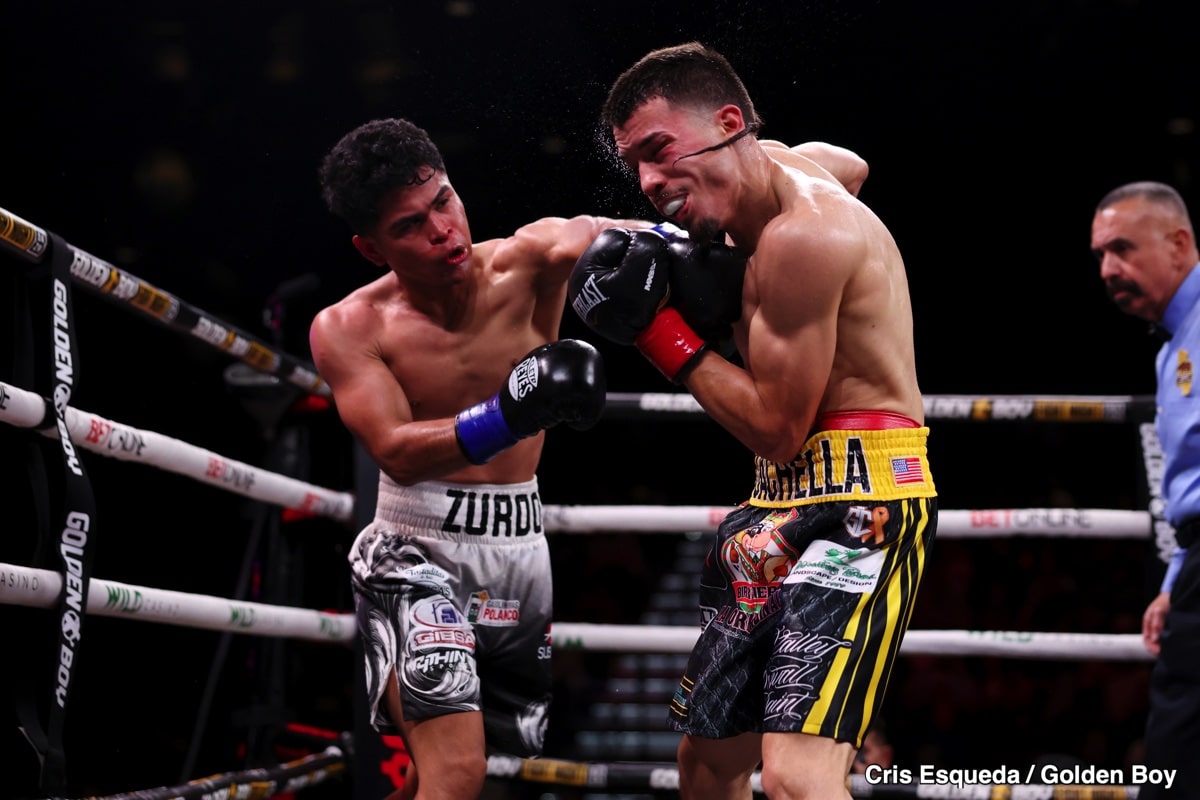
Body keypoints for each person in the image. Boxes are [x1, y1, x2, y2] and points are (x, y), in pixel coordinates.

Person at [568, 42, 938, 800]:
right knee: (706, 768)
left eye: (659, 151)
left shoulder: (802, 238)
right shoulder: (779, 164)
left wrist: (657, 332)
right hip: (775, 502)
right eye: (636, 163)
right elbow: (852, 163)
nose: (647, 181)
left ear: (728, 121)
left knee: (800, 779)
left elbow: (776, 429)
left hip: (859, 505)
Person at [308, 117, 650, 800]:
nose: (442, 229)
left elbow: (633, 233)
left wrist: (754, 198)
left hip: (517, 547)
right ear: (371, 248)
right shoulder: (348, 328)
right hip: (414, 552)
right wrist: (512, 412)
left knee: (472, 773)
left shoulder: (530, 261)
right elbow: (398, 454)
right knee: (457, 771)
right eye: (410, 225)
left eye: (443, 200)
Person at [1091, 180, 1200, 799]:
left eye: (1124, 250)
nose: (1109, 270)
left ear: (1179, 243)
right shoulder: (1172, 347)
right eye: (1102, 255)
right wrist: (1174, 582)